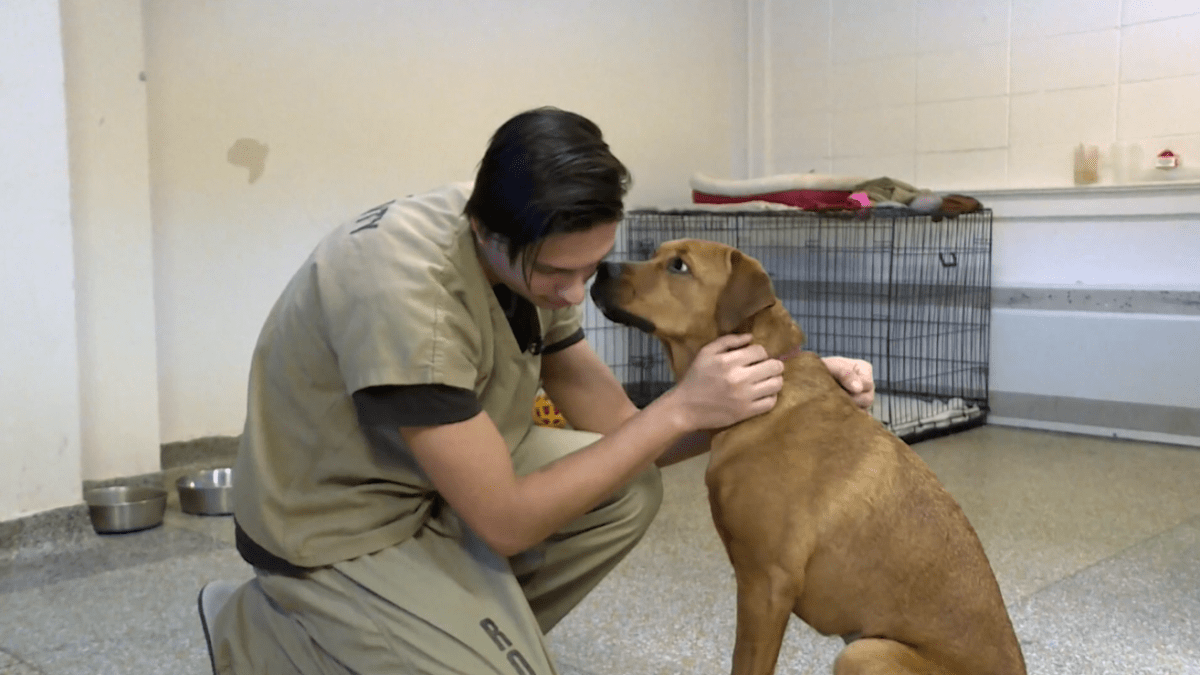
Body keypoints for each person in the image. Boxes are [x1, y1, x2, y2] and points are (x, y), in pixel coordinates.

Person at [208, 106, 875, 674]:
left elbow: (621, 427)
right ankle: (262, 633)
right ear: (484, 232)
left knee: (628, 484)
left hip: (428, 487)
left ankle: (459, 623)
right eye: (560, 273)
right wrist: (679, 406)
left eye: (590, 268)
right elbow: (504, 521)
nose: (575, 292)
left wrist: (789, 387)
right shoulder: (412, 296)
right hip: (337, 528)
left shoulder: (534, 245)